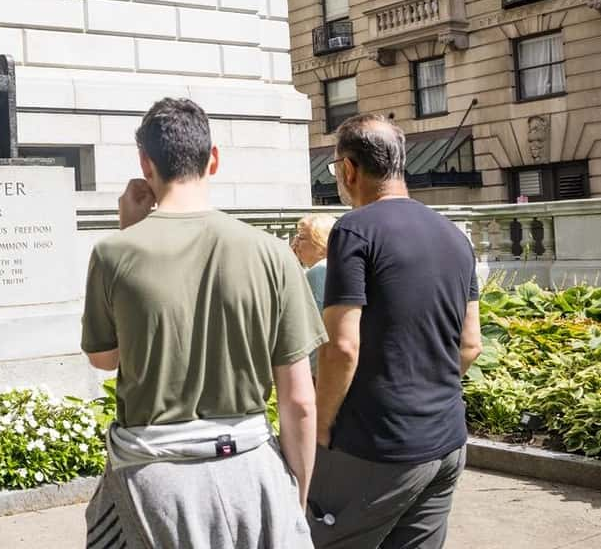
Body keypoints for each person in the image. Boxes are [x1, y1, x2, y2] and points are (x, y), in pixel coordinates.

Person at [80, 98, 323, 548]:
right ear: (213, 158)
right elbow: (299, 400)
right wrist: (295, 497)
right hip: (251, 470)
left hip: (151, 480)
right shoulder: (272, 254)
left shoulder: (113, 253)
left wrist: (131, 230)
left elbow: (104, 357)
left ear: (144, 163)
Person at [311, 115, 483, 549]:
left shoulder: (354, 229)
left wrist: (320, 425)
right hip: (446, 442)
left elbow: (342, 347)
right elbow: (470, 345)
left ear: (349, 170)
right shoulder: (454, 236)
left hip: (375, 444)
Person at [291, 213, 337, 374]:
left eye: (302, 237)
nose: (295, 242)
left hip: (320, 372)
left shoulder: (319, 271)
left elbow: (313, 332)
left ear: (321, 243)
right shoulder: (333, 267)